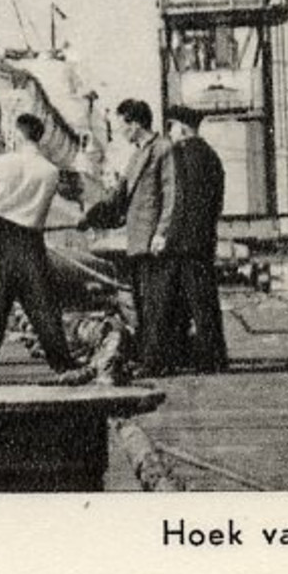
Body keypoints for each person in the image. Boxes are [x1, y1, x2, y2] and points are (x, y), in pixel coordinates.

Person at [0, 113, 78, 378]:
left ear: (18, 134)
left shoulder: (3, 162)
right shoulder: (50, 172)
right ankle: (61, 363)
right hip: (30, 240)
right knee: (42, 306)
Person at [80, 98, 179, 374]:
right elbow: (119, 197)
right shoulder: (138, 154)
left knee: (155, 304)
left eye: (122, 124)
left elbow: (171, 194)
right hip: (137, 240)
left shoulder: (163, 149)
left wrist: (162, 232)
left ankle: (156, 362)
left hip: (153, 241)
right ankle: (150, 358)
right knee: (142, 303)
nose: (121, 131)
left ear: (134, 123)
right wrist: (90, 218)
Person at [165, 104, 229, 372]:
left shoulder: (182, 155)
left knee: (187, 302)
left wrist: (168, 236)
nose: (169, 132)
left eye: (171, 127)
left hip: (183, 241)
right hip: (203, 239)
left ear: (180, 127)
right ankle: (213, 356)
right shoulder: (211, 156)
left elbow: (179, 201)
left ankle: (203, 358)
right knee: (204, 300)